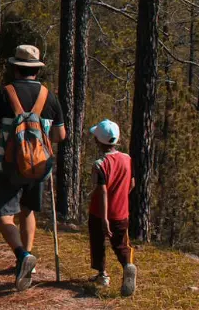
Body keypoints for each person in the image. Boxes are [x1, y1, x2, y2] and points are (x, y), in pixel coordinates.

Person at [0, 45, 66, 291]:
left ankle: (22, 256)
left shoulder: (5, 94)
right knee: (28, 211)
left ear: (15, 68)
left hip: (8, 166)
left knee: (5, 216)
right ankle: (29, 259)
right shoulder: (49, 96)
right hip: (38, 166)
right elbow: (60, 135)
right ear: (36, 70)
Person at [87, 119, 137, 297]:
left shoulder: (99, 164)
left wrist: (105, 218)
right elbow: (131, 184)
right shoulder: (127, 159)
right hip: (121, 212)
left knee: (98, 243)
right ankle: (127, 266)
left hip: (99, 213)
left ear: (98, 141)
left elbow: (102, 192)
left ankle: (102, 275)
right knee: (121, 244)